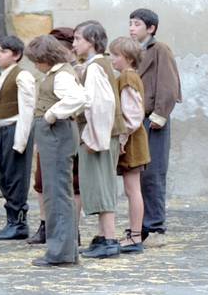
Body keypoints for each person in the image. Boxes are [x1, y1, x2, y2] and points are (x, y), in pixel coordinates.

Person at [26, 35, 87, 267]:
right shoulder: (58, 73)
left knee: (57, 193)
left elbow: (79, 98)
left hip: (56, 133)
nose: (35, 65)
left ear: (47, 58)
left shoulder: (61, 75)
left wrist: (52, 114)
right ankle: (65, 251)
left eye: (37, 60)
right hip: (55, 134)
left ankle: (60, 253)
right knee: (58, 192)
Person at [128, 8, 181, 248]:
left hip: (153, 119)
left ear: (151, 28)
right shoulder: (135, 53)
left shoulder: (160, 50)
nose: (132, 28)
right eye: (130, 23)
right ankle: (144, 226)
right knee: (139, 173)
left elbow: (169, 84)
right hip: (138, 120)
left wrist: (160, 114)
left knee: (154, 173)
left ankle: (156, 227)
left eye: (137, 24)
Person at [73, 21, 126, 259]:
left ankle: (110, 240)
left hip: (100, 134)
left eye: (78, 39)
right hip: (101, 134)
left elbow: (102, 106)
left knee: (102, 186)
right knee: (97, 186)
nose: (74, 44)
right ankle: (103, 237)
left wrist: (95, 138)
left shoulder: (95, 67)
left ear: (92, 41)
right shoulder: (96, 65)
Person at [0, 36, 35, 240]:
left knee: (16, 177)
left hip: (14, 129)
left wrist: (20, 140)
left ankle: (19, 222)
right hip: (1, 130)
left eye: (3, 51)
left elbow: (27, 110)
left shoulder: (22, 77)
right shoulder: (0, 79)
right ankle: (11, 221)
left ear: (17, 55)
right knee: (5, 177)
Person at [109, 36, 151, 253]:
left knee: (132, 189)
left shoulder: (127, 77)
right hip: (132, 140)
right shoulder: (127, 76)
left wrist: (122, 139)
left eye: (115, 55)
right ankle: (134, 234)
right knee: (131, 189)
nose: (112, 59)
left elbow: (133, 116)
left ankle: (135, 236)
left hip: (132, 142)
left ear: (127, 57)